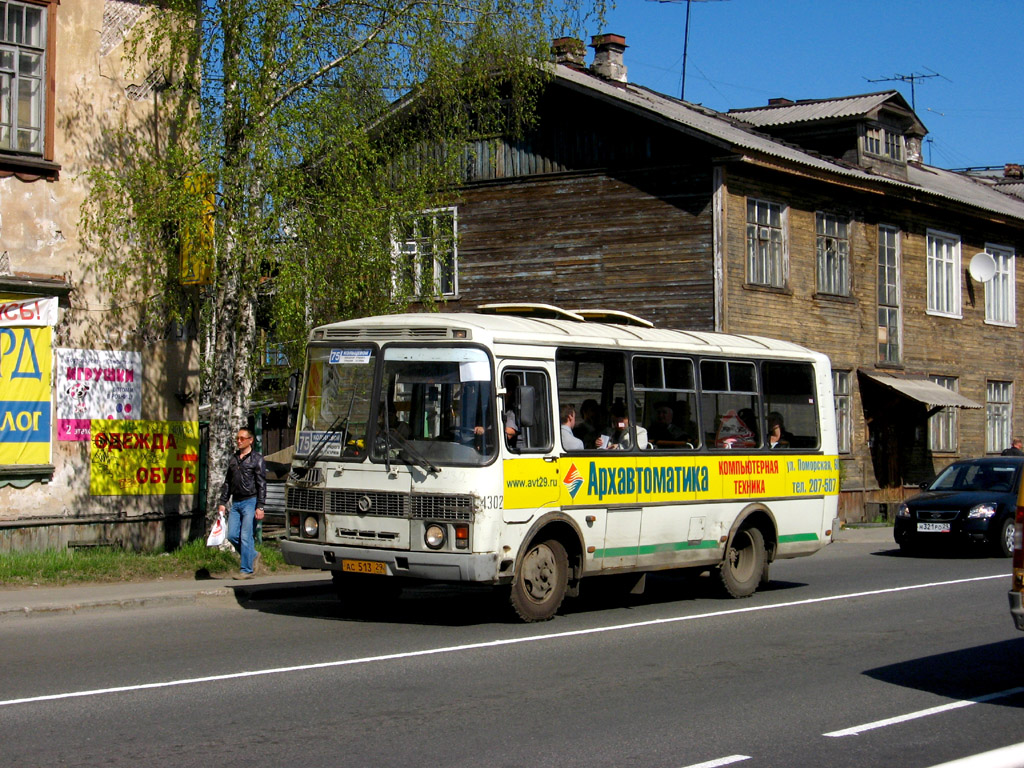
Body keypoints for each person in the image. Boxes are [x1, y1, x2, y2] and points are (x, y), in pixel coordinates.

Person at [217, 427, 267, 579]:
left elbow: (262, 484)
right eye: (237, 438)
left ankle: (246, 570)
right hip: (236, 502)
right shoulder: (233, 459)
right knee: (231, 535)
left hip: (250, 501)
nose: (238, 441)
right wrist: (223, 501)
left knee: (246, 536)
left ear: (250, 440)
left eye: (242, 438)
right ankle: (252, 555)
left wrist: (260, 506)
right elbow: (227, 482)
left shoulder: (257, 459)